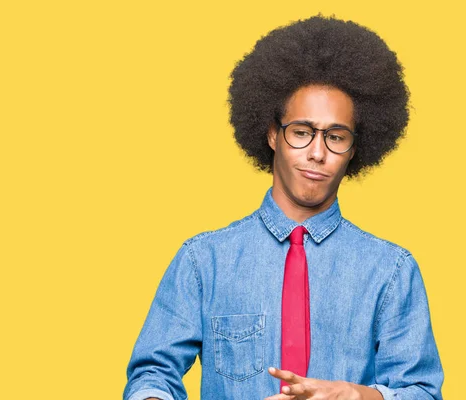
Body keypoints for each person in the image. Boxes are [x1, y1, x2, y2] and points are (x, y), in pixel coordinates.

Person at [122, 14, 444, 400]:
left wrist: (356, 396)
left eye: (336, 137)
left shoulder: (391, 271)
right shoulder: (203, 261)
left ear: (355, 149)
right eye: (302, 132)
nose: (317, 153)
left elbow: (422, 391)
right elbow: (152, 374)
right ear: (273, 133)